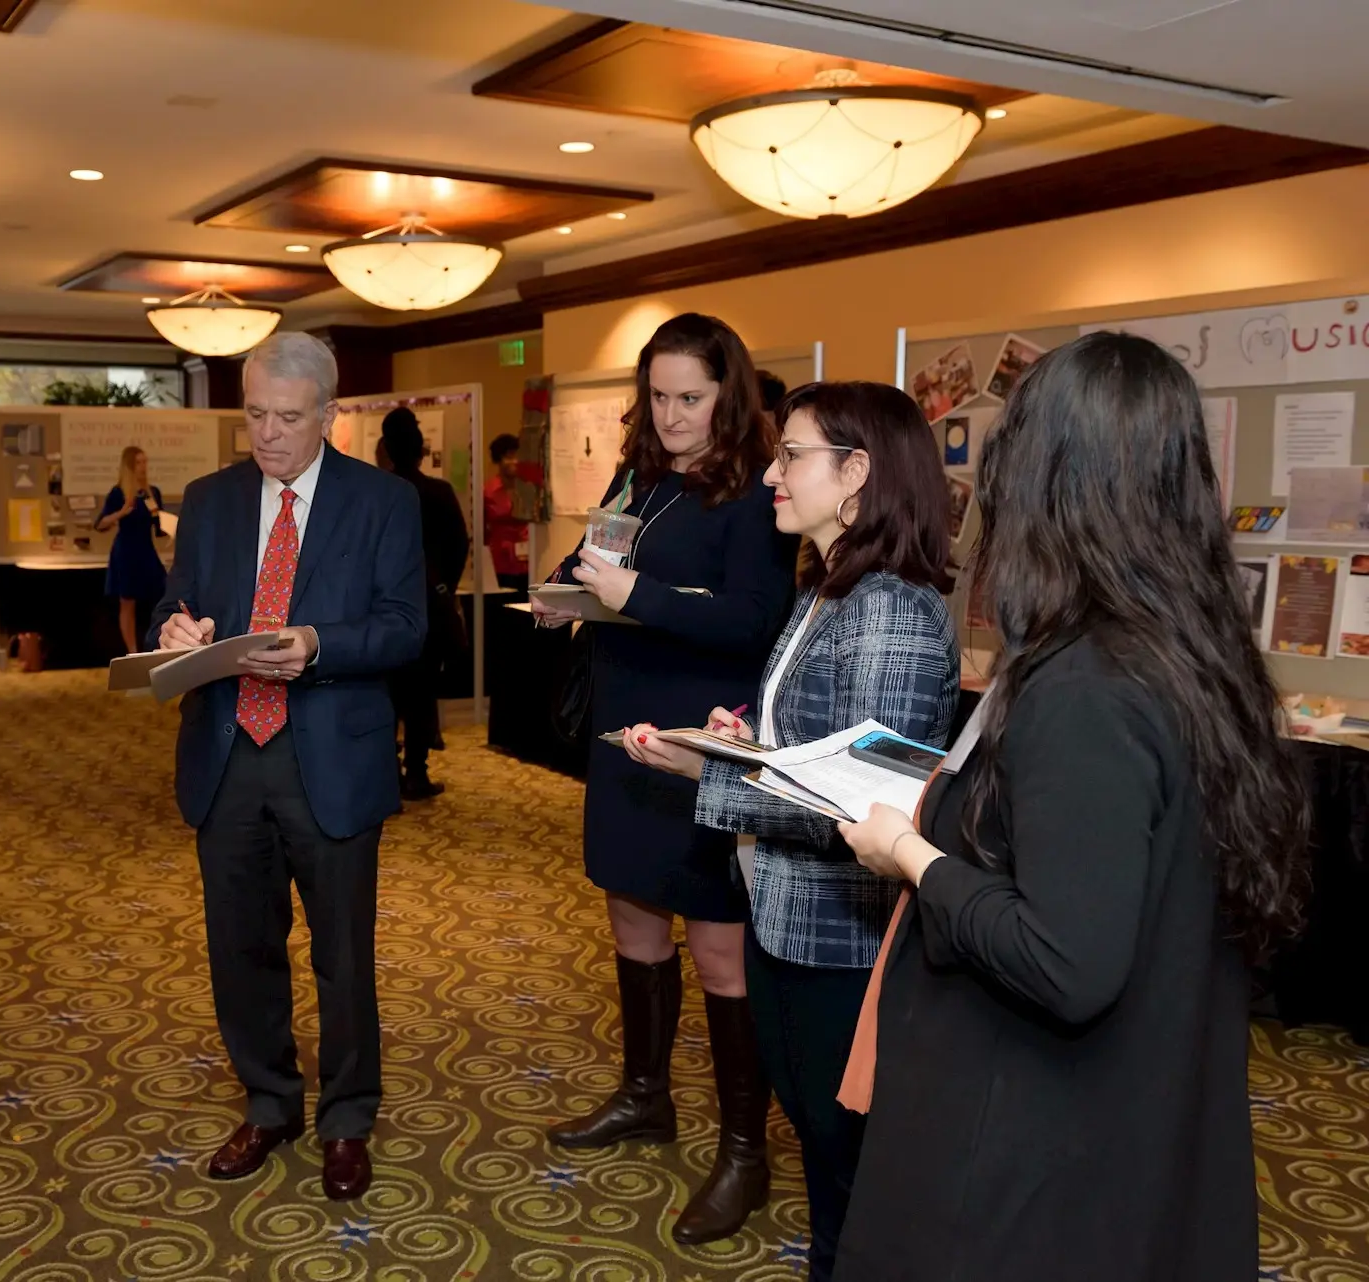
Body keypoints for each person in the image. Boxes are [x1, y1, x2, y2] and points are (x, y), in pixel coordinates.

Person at [832, 333, 1310, 1282]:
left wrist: (912, 857)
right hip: (1130, 1114)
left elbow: (1067, 962)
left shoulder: (1086, 684)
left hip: (1031, 1146)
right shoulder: (1198, 657)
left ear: (1040, 480)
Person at [621, 379, 959, 1277]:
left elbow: (868, 809)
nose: (772, 471)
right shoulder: (828, 587)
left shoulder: (888, 606)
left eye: (792, 455)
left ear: (857, 473)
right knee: (821, 1148)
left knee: (850, 1168)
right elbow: (817, 752)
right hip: (790, 919)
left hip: (840, 940)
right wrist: (745, 745)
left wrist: (712, 777)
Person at [535, 313, 799, 1245]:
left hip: (704, 743)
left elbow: (752, 623)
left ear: (729, 394)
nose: (675, 414)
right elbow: (596, 557)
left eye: (692, 397)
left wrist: (630, 598)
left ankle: (743, 1151)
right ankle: (646, 1096)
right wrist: (563, 589)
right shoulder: (640, 476)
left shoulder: (755, 494)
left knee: (722, 955)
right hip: (626, 736)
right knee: (634, 919)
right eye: (660, 396)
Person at [145, 332, 424, 1203]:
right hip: (227, 753)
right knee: (241, 948)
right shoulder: (211, 499)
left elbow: (407, 626)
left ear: (329, 415)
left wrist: (318, 644)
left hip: (329, 759)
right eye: (255, 414)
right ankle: (269, 1102)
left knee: (344, 956)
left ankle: (347, 1118)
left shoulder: (382, 502)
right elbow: (176, 601)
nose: (268, 434)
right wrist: (174, 630)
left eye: (288, 418)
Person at [379, 408, 469, 801]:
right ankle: (416, 772)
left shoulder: (377, 492)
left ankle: (387, 776)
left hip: (383, 609)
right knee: (419, 693)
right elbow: (458, 546)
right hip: (428, 607)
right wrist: (443, 586)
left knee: (386, 694)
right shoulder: (437, 491)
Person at [97, 445, 167, 653]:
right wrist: (121, 512)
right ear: (129, 465)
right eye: (138, 462)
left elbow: (159, 526)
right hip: (126, 552)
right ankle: (133, 651)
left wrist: (171, 526)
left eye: (145, 462)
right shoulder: (118, 492)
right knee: (127, 603)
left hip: (146, 550)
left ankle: (156, 645)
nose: (143, 467)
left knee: (162, 596)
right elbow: (100, 524)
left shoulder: (151, 493)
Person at [483, 433, 533, 591]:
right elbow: (482, 528)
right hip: (501, 562)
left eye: (517, 456)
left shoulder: (529, 488)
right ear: (498, 460)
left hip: (529, 561)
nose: (514, 462)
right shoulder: (488, 491)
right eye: (509, 457)